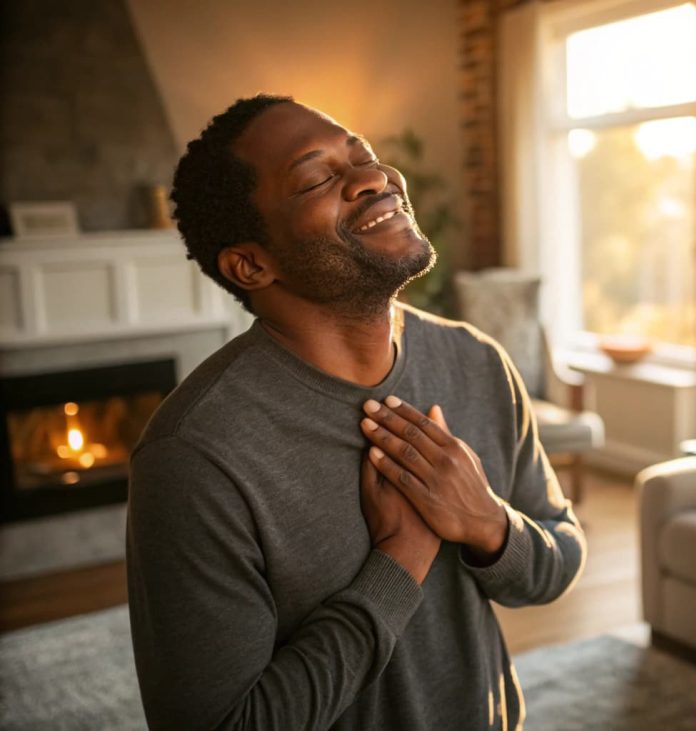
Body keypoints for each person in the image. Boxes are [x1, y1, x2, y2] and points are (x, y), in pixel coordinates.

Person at [126, 94, 586, 730]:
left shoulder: (478, 363)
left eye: (364, 156)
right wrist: (397, 564)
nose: (376, 179)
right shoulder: (195, 457)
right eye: (317, 178)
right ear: (252, 263)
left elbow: (558, 559)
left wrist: (488, 523)